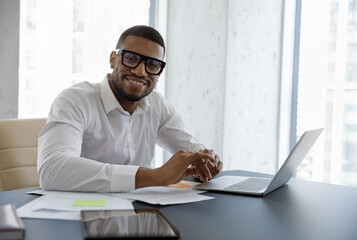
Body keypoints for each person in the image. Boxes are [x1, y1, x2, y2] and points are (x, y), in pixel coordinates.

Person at [37, 25, 223, 192]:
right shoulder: (75, 100)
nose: (140, 71)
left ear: (160, 72)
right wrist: (157, 176)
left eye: (152, 64)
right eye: (131, 58)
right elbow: (52, 170)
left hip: (139, 215)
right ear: (112, 59)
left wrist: (205, 160)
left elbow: (189, 147)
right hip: (81, 215)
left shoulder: (158, 105)